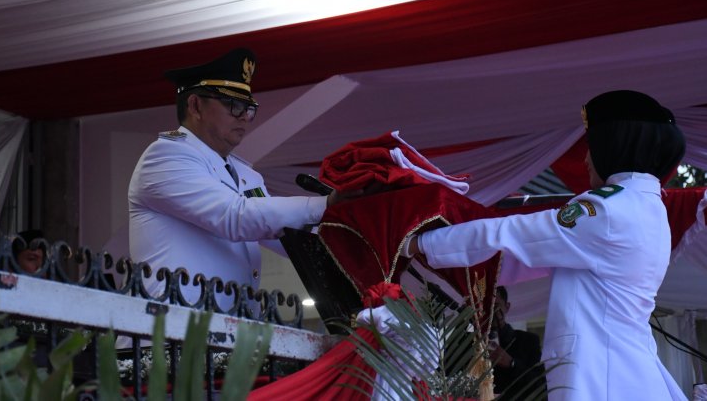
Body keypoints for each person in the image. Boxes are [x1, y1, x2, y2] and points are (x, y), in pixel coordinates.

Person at [406, 90, 687, 400]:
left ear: (613, 147)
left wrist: (419, 242)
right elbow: (524, 256)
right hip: (622, 367)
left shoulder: (608, 210)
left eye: (590, 147)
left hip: (602, 376)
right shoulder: (648, 206)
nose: (585, 159)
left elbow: (516, 233)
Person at [128, 47, 352, 311]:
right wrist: (326, 204)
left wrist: (361, 228)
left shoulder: (245, 174)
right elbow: (236, 216)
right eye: (234, 105)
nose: (245, 117)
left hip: (224, 333)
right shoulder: (166, 156)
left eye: (248, 108)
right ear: (196, 106)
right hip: (169, 336)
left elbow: (288, 235)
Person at [488, 286, 545, 398]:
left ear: (507, 306)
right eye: (485, 307)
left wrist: (512, 363)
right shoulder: (470, 342)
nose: (490, 312)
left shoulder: (528, 340)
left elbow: (539, 383)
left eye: (495, 306)